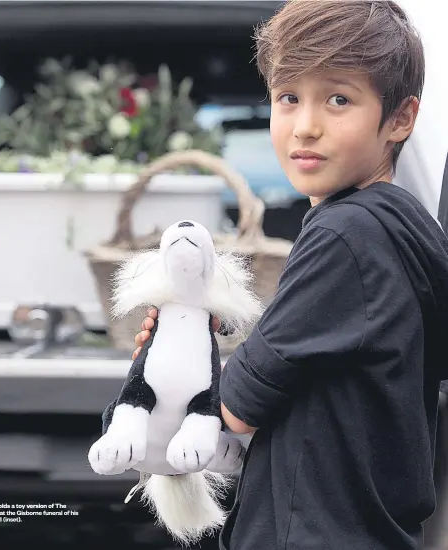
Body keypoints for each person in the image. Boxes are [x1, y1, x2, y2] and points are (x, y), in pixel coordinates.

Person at [131, 1, 448, 549]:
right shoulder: (402, 230)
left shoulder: (345, 236)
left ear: (400, 118)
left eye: (339, 99)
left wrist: (167, 364)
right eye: (288, 98)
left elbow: (233, 409)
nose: (306, 127)